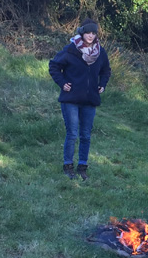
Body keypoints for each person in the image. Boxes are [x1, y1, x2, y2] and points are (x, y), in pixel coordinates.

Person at [48, 19, 112, 181]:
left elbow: (106, 70)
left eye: (93, 33)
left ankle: (82, 167)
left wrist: (102, 84)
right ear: (81, 33)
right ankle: (68, 166)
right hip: (71, 99)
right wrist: (62, 83)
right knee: (72, 133)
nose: (90, 36)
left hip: (90, 100)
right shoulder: (71, 50)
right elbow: (54, 66)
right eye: (88, 32)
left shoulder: (100, 52)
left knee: (85, 135)